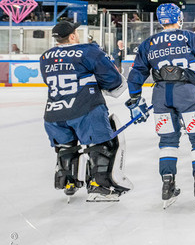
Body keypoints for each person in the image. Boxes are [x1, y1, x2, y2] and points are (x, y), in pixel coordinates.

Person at [127, 3, 195, 208]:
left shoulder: (148, 43)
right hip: (187, 94)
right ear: (178, 18)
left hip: (160, 96)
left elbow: (136, 74)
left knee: (167, 141)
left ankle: (167, 186)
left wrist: (135, 99)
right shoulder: (191, 37)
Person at [40, 21, 132, 202]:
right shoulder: (88, 51)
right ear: (73, 36)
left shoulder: (45, 57)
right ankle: (99, 186)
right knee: (102, 145)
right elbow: (112, 79)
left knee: (66, 147)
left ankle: (68, 182)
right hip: (85, 109)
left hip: (54, 112)